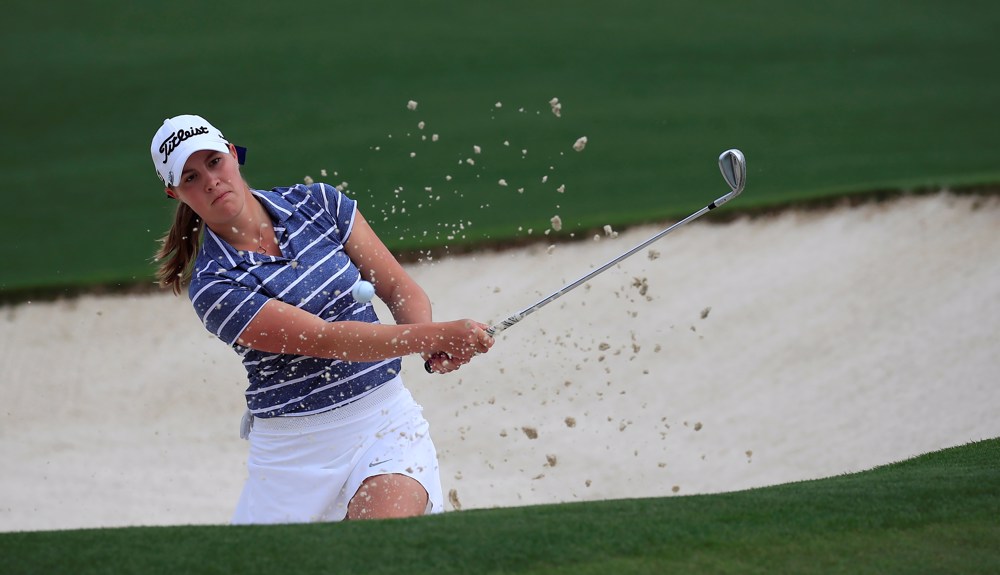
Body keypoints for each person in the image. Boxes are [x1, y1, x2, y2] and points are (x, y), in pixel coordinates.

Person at [149, 114, 494, 523]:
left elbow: (400, 289)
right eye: (190, 177)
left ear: (232, 153)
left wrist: (432, 345)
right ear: (175, 193)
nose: (210, 180)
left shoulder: (319, 204)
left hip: (385, 425)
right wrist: (438, 334)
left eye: (213, 161)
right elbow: (328, 340)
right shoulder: (214, 285)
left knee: (381, 547)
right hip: (293, 458)